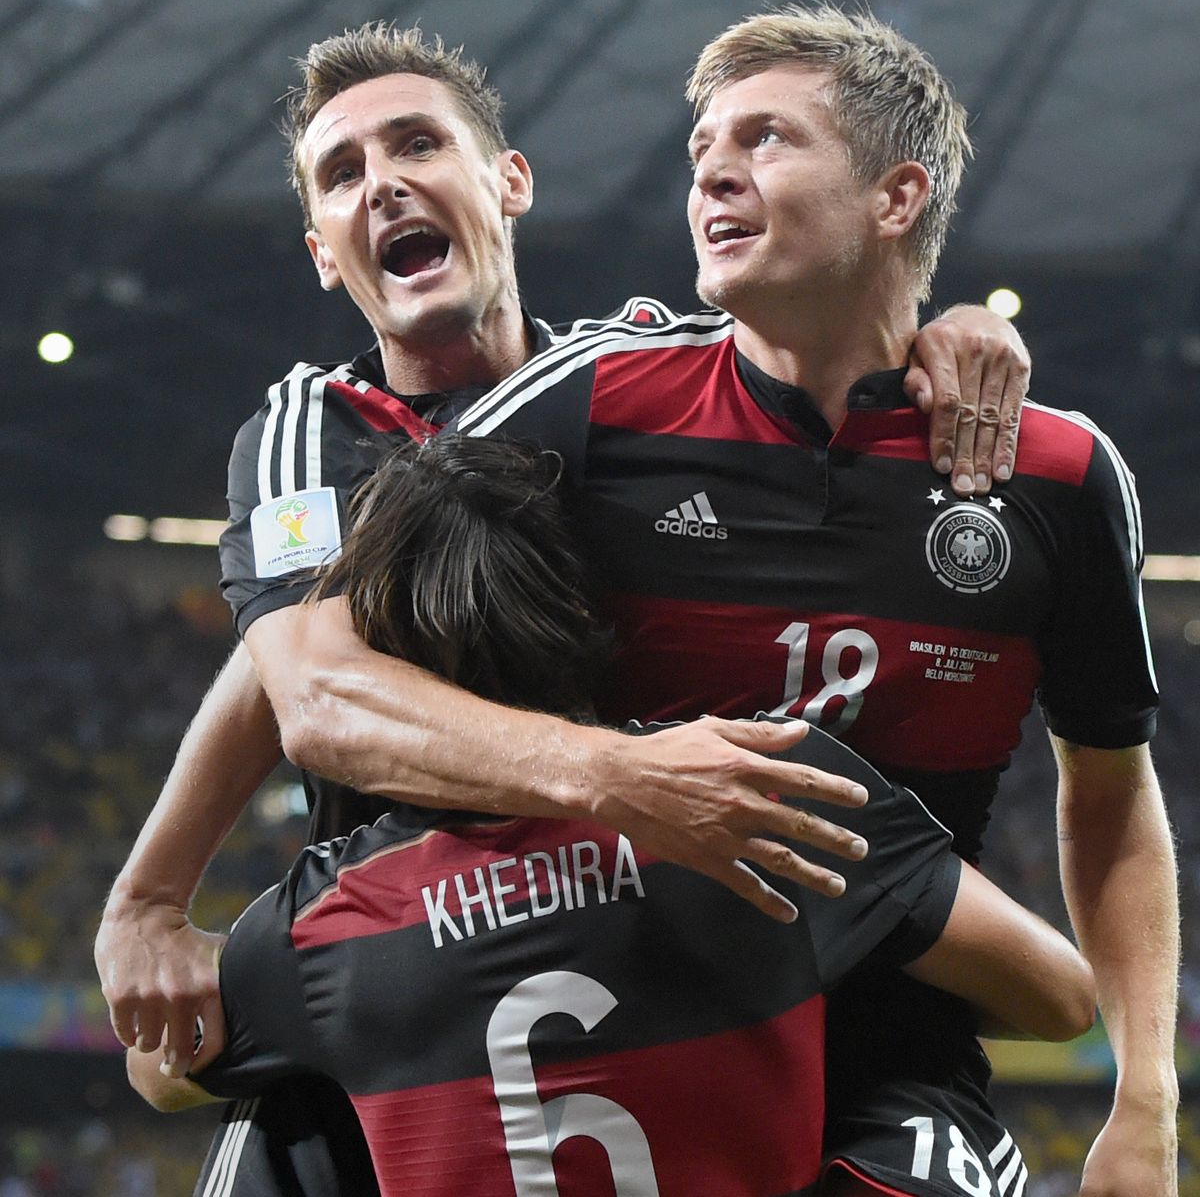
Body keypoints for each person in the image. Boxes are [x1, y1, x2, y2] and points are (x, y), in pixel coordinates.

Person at [94, 22, 1031, 1196]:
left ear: (509, 181)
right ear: (325, 253)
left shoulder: (641, 374)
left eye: (417, 143)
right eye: (341, 175)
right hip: (407, 975)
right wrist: (147, 897)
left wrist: (948, 334)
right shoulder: (312, 434)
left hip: (667, 942)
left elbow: (827, 341)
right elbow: (311, 686)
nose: (381, 182)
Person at [451, 5, 1177, 1196]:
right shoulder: (590, 404)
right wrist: (160, 893)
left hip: (896, 1069)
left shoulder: (1056, 475)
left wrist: (1144, 1098)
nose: (714, 173)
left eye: (769, 138)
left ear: (897, 198)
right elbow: (324, 632)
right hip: (618, 1051)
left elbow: (1109, 791)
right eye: (702, 152)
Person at [127, 433, 1095, 1197]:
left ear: (378, 653)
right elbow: (1057, 999)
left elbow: (161, 1073)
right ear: (590, 607)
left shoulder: (326, 924)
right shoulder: (765, 789)